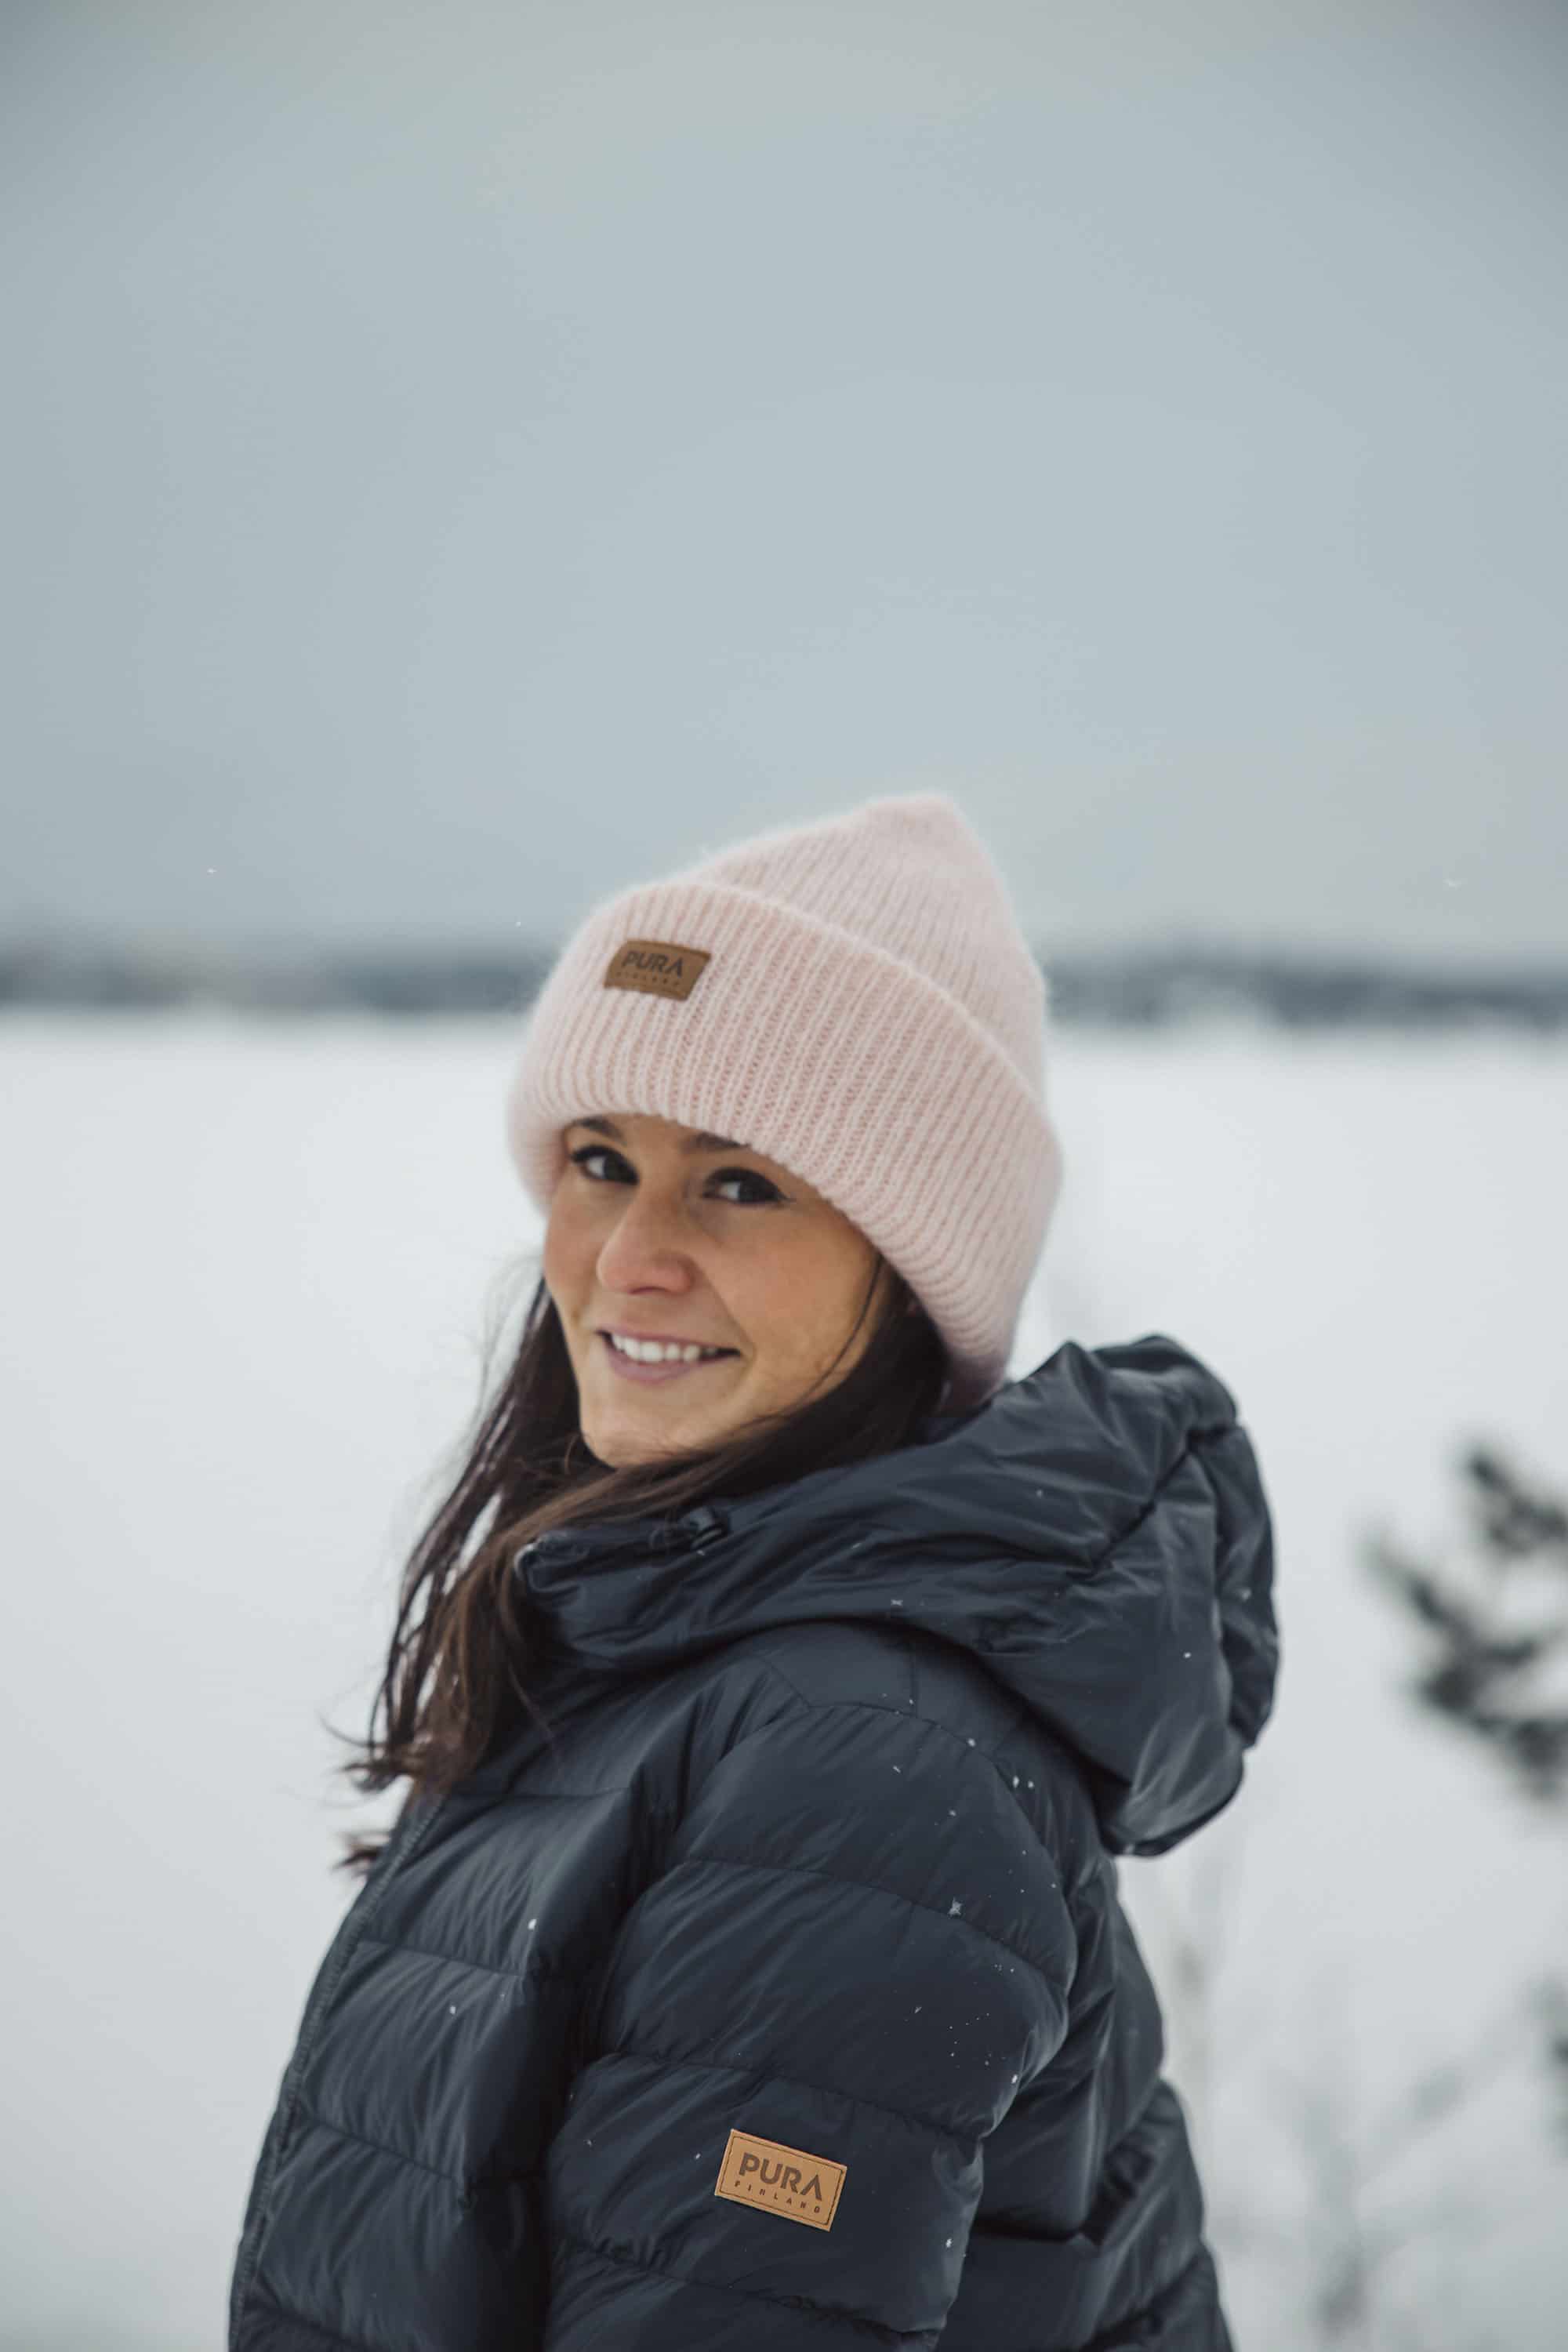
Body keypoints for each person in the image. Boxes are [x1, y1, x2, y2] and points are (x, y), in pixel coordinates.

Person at [227, 792, 1279, 2351]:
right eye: (601, 1160)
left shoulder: (861, 1768)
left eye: (739, 1183)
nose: (627, 1256)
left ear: (910, 1274)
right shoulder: (666, 1632)